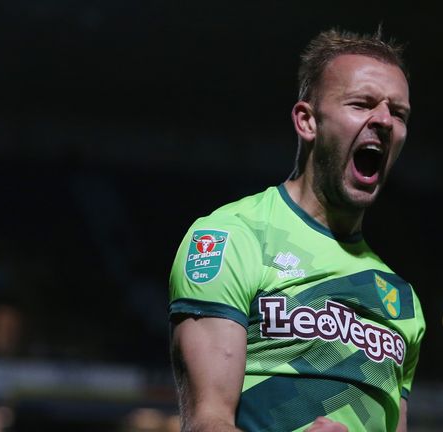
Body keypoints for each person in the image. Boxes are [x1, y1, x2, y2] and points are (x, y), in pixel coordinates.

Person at [168, 27, 425, 432]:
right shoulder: (232, 238)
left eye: (398, 113)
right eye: (361, 104)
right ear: (307, 121)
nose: (384, 121)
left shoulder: (402, 300)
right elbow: (207, 421)